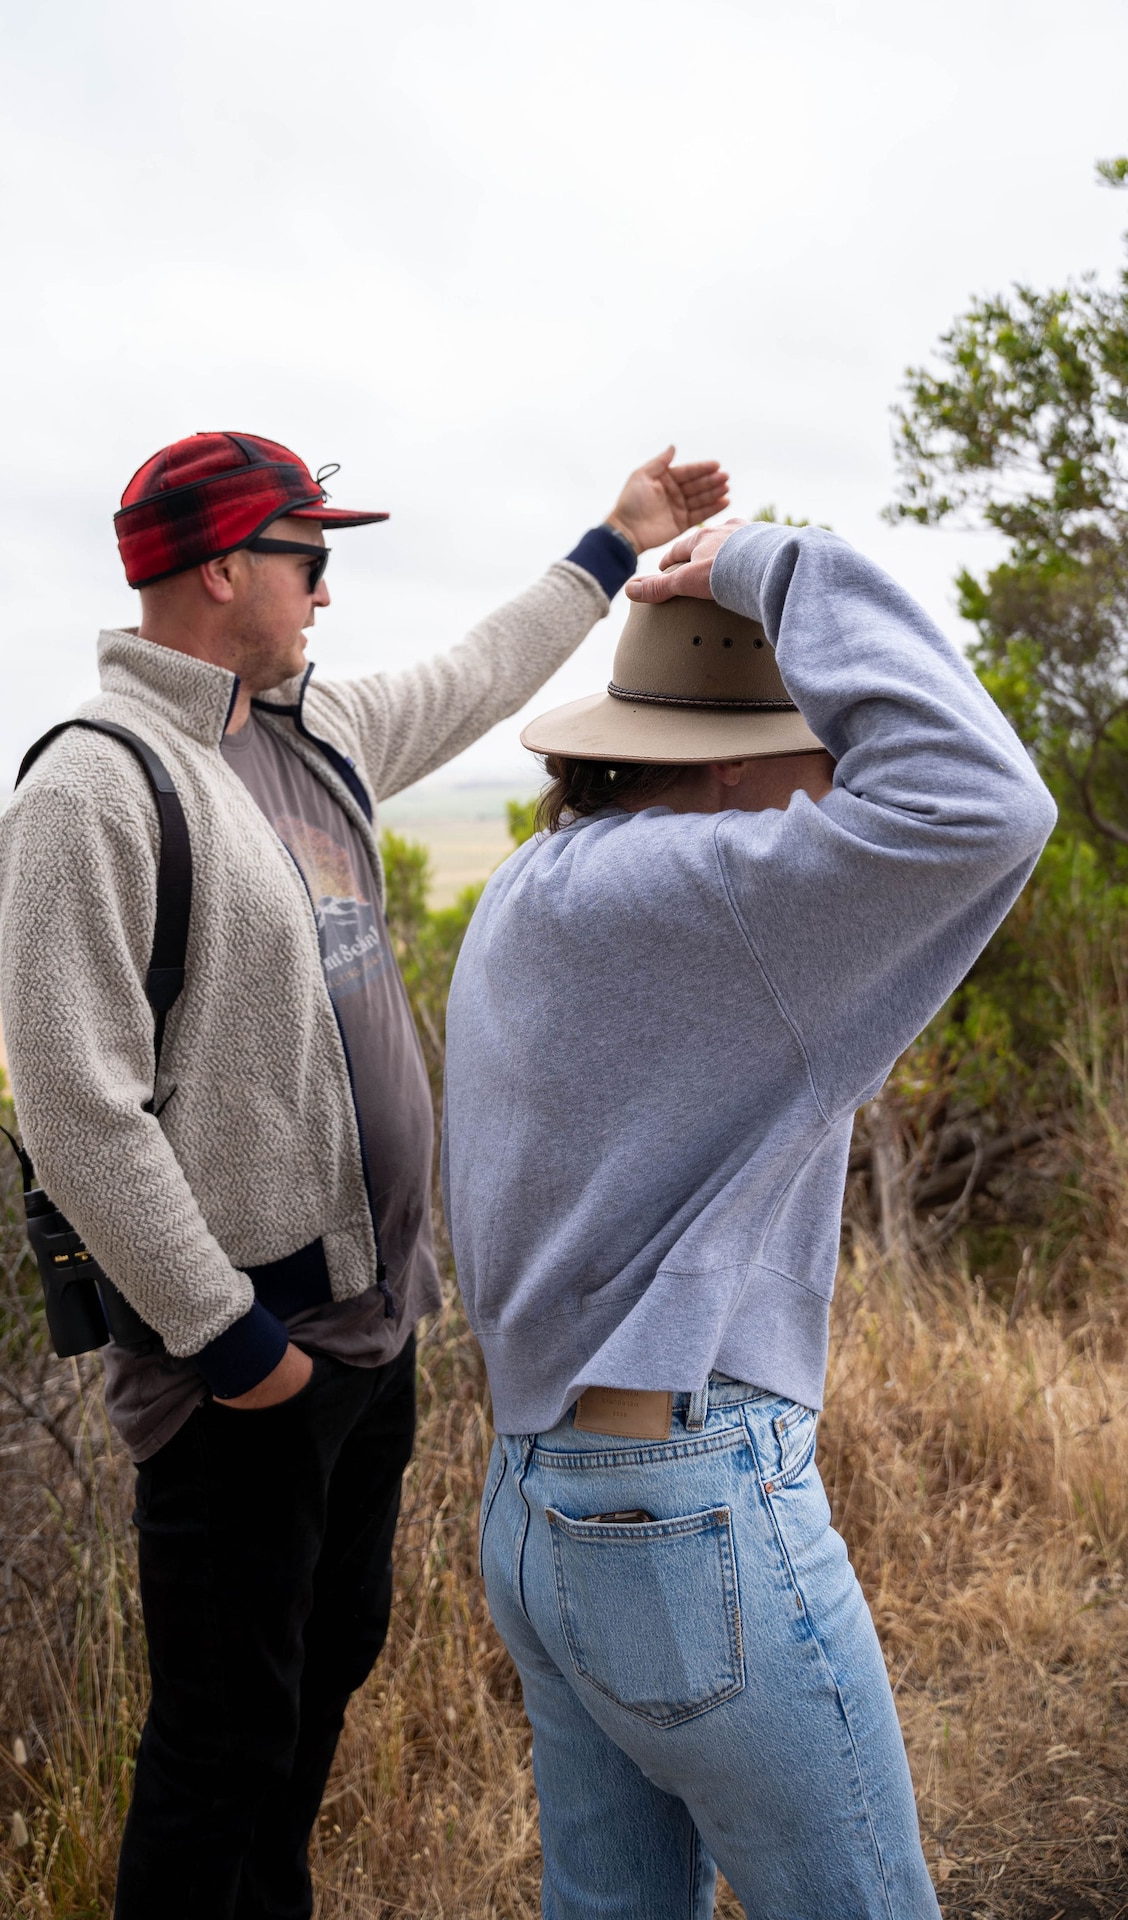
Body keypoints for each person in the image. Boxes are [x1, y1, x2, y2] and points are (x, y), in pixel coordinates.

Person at [0, 430, 729, 1920]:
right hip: (242, 1368)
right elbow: (77, 1107)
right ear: (221, 568)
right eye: (308, 556)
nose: (327, 588)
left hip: (365, 1338)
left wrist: (614, 540)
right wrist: (233, 1345)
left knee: (314, 1697)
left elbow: (473, 671)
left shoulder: (308, 731)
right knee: (220, 1747)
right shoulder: (97, 788)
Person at [440, 516, 1057, 1919]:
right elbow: (990, 806)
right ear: (726, 759)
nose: (833, 777)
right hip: (684, 1512)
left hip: (542, 1502)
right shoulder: (714, 898)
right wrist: (774, 561)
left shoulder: (537, 892)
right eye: (813, 743)